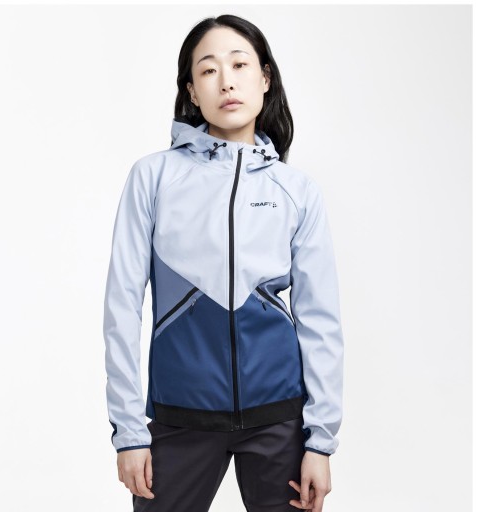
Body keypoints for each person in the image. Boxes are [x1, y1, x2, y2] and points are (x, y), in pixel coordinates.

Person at [103, 13, 344, 512]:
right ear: (192, 91)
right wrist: (129, 431)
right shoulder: (154, 178)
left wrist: (319, 442)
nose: (227, 81)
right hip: (179, 416)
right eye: (209, 70)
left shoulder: (296, 191)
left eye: (240, 64)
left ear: (265, 78)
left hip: (279, 420)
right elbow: (121, 308)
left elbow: (320, 319)